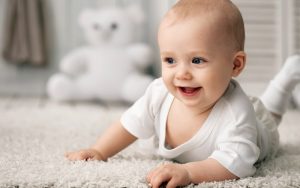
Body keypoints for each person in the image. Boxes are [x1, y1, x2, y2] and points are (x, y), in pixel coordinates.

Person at [65, 0, 300, 187]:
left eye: (197, 60)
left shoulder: (237, 114)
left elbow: (234, 165)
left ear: (235, 65)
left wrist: (189, 172)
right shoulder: (159, 92)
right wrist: (100, 150)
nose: (181, 73)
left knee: (270, 116)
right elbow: (128, 124)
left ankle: (287, 76)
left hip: (258, 132)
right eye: (170, 60)